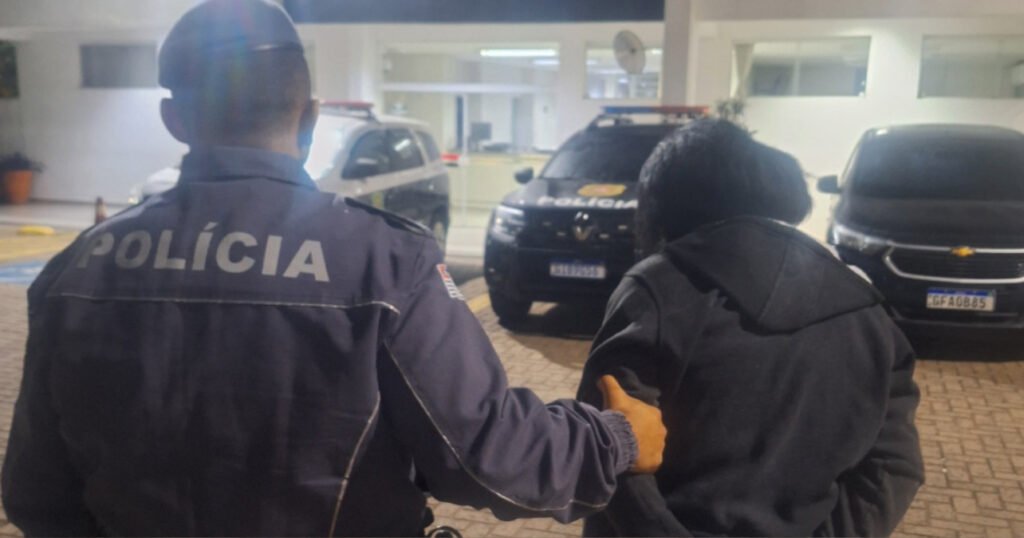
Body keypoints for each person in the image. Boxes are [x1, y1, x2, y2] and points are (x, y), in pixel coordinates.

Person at [0, 1, 666, 536]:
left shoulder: (76, 270)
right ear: (311, 116)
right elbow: (486, 456)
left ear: (173, 120)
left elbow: (36, 493)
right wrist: (614, 439)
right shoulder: (385, 262)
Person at [577, 119, 924, 537]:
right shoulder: (867, 311)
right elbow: (894, 464)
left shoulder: (657, 290)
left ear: (662, 204)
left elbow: (605, 444)